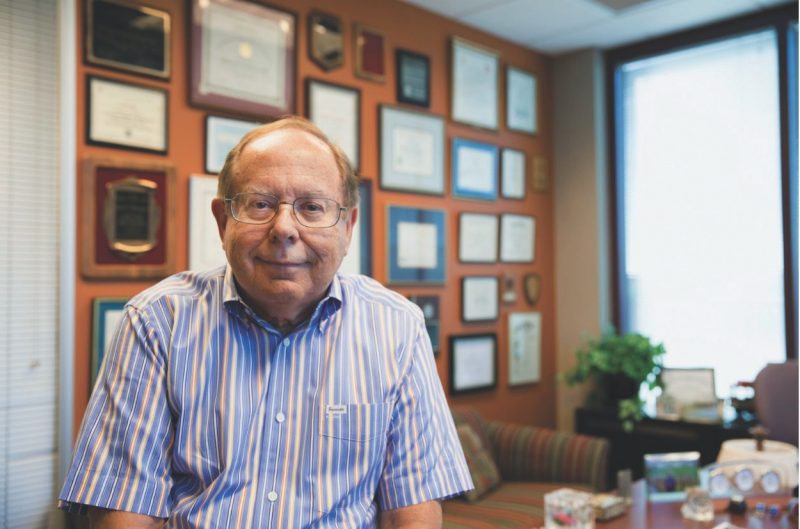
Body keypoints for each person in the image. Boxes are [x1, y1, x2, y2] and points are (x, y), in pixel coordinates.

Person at [59, 117, 473, 528]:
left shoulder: (397, 327)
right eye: (260, 204)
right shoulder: (155, 322)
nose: (284, 229)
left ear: (348, 228)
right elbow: (125, 513)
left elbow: (412, 510)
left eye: (312, 207)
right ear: (223, 222)